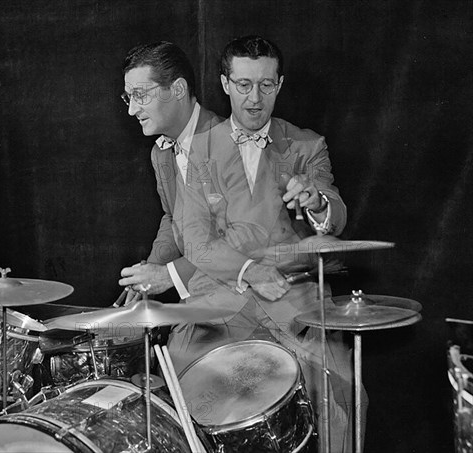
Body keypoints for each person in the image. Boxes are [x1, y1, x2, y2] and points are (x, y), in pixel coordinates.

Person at [119, 37, 362, 452]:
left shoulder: (306, 146)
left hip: (292, 296)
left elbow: (333, 214)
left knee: (340, 393)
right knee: (179, 384)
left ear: (280, 85)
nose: (255, 99)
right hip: (218, 296)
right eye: (244, 85)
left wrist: (316, 202)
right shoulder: (191, 150)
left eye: (266, 86)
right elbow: (181, 224)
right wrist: (150, 274)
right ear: (226, 84)